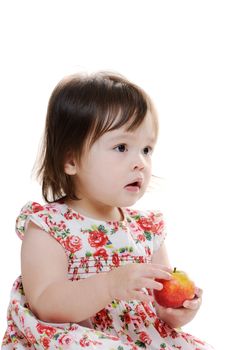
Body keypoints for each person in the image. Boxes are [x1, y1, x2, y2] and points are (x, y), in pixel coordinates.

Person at [2, 72, 214, 349]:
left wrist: (175, 311)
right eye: (122, 147)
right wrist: (109, 285)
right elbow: (45, 304)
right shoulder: (49, 225)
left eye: (147, 150)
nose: (140, 162)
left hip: (135, 336)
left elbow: (158, 303)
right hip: (74, 337)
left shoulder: (146, 229)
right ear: (71, 160)